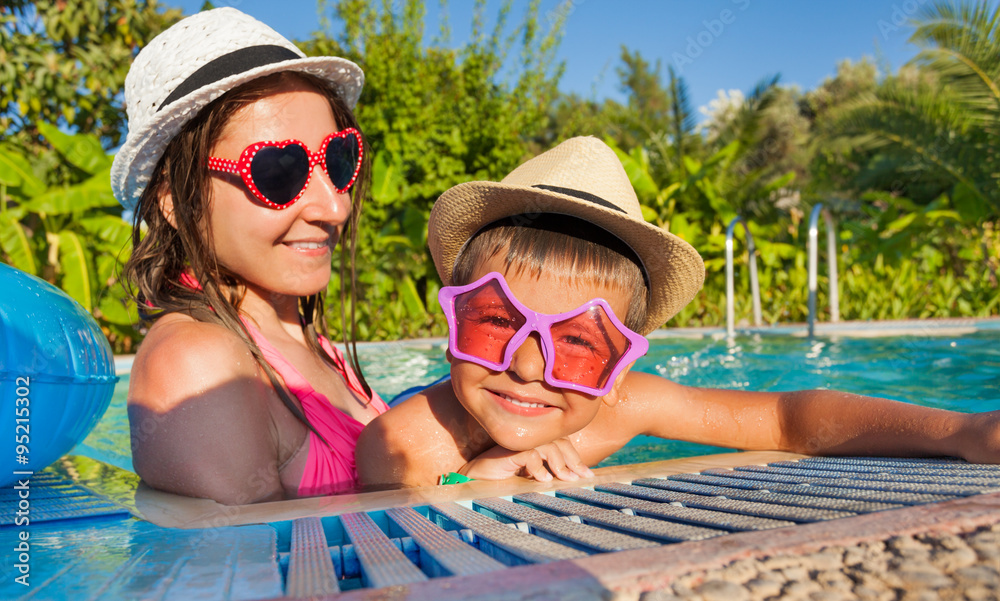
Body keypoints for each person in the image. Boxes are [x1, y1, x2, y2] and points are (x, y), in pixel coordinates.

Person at [356, 136, 1000, 489]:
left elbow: (785, 418)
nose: (526, 364)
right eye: (496, 322)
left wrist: (963, 433)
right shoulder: (403, 445)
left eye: (576, 342)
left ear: (617, 367)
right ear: (450, 328)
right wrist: (480, 480)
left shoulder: (626, 406)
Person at [113, 8, 388, 505]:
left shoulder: (305, 342)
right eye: (280, 170)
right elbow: (245, 575)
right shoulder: (197, 367)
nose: (336, 205)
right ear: (174, 200)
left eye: (339, 159)